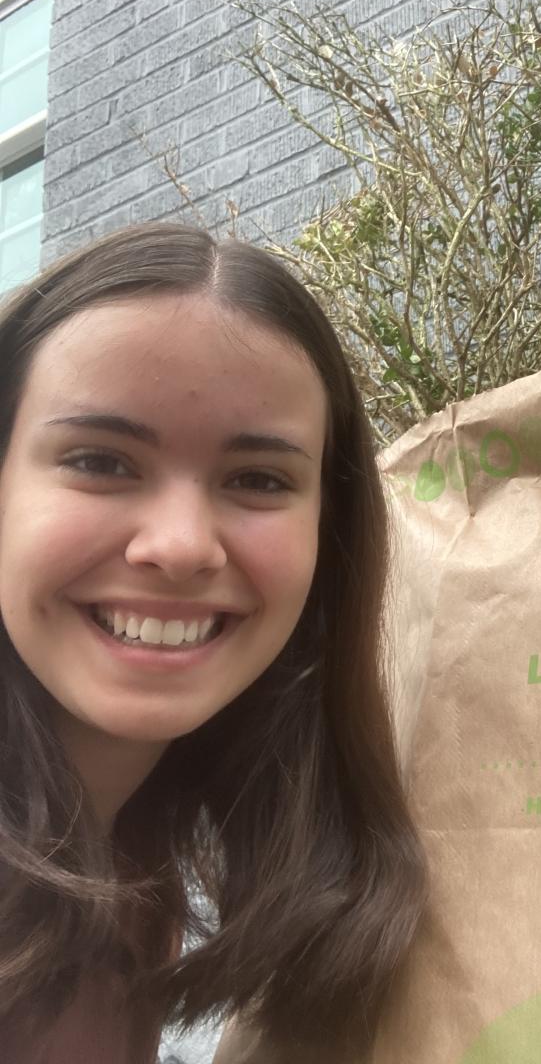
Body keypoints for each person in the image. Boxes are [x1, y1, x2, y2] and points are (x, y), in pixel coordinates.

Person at [0, 222, 426, 1062]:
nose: (182, 546)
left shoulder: (138, 864)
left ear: (329, 536)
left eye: (258, 480)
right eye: (100, 461)